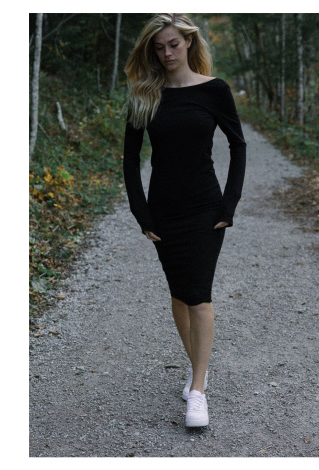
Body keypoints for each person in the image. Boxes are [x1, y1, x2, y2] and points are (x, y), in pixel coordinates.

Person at [123, 13, 246, 427]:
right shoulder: (144, 94)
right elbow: (129, 159)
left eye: (173, 44)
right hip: (163, 211)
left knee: (199, 296)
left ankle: (197, 392)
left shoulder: (214, 91)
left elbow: (238, 146)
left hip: (205, 209)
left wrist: (228, 205)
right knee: (179, 294)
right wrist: (141, 211)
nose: (167, 53)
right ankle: (199, 371)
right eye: (159, 47)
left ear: (189, 42)